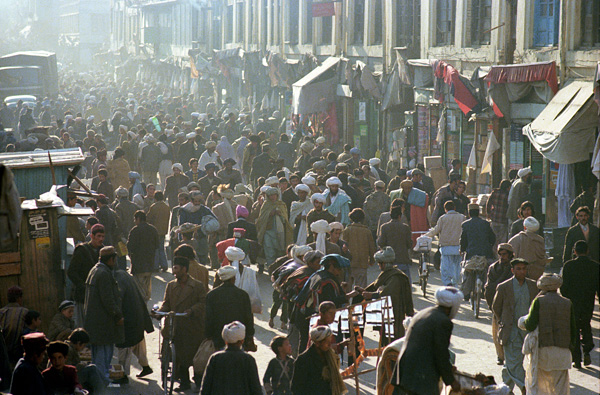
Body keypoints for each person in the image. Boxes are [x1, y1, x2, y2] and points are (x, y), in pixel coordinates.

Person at [391, 287, 463, 395]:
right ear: (452, 307)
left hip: (404, 374)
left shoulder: (423, 313)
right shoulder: (443, 322)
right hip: (420, 379)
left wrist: (448, 369)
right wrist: (451, 381)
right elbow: (441, 354)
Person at [156, 256, 207, 391]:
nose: (174, 271)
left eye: (176, 268)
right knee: (179, 356)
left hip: (193, 328)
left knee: (195, 357)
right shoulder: (171, 286)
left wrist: (192, 310)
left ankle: (198, 382)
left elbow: (203, 303)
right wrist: (159, 312)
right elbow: (166, 304)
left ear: (184, 269)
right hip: (176, 326)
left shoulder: (197, 286)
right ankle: (184, 383)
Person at [520, 274, 576, 395]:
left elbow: (530, 325)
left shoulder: (539, 301)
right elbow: (573, 329)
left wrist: (522, 321)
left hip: (543, 352)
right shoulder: (567, 302)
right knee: (560, 388)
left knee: (541, 386)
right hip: (562, 353)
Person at [491, 258, 539, 394]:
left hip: (528, 331)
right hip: (510, 331)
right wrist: (504, 322)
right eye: (519, 268)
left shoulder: (533, 286)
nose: (522, 271)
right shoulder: (504, 287)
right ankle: (525, 387)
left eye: (524, 268)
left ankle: (506, 390)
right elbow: (496, 308)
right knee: (514, 362)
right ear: (512, 270)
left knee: (510, 364)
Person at [83, 246, 124, 380]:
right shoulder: (104, 274)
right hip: (103, 323)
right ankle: (102, 382)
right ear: (111, 260)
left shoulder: (95, 270)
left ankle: (100, 379)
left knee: (99, 354)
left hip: (95, 322)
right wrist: (117, 315)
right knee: (103, 354)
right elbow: (108, 300)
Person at [359, 247, 414, 339]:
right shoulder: (386, 274)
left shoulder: (396, 277)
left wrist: (371, 295)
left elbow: (387, 293)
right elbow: (375, 286)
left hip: (394, 315)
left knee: (393, 341)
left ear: (384, 263)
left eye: (379, 263)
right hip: (385, 315)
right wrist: (363, 290)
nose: (379, 266)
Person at [560, 240, 599, 368]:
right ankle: (587, 349)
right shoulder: (595, 266)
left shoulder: (568, 266)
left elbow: (563, 287)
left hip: (573, 301)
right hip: (588, 301)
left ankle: (576, 359)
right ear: (587, 251)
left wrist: (566, 299)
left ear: (574, 251)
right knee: (586, 324)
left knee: (574, 328)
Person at [114, 268, 154, 381]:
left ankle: (123, 375)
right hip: (138, 318)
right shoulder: (124, 276)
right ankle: (145, 367)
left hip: (129, 321)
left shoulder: (118, 281)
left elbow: (118, 301)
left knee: (124, 349)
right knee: (138, 345)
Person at [200, 321, 262, 395]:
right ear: (242, 341)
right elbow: (255, 387)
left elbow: (206, 385)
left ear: (225, 341)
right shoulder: (248, 359)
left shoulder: (215, 358)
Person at [206, 266, 256, 351]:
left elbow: (208, 318)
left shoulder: (211, 295)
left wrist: (208, 335)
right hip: (238, 335)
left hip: (218, 337)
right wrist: (249, 335)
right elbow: (248, 317)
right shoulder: (242, 295)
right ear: (233, 278)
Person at [292, 326, 347, 395]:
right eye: (327, 342)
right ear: (317, 343)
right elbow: (296, 388)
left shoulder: (330, 356)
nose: (330, 345)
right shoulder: (303, 360)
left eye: (330, 341)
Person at [484, 243, 515, 365]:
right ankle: (500, 356)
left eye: (505, 254)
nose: (502, 257)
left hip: (511, 305)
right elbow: (489, 287)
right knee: (497, 332)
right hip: (497, 304)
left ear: (510, 255)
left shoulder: (515, 268)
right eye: (500, 254)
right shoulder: (493, 268)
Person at [68, 224, 104, 326]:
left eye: (102, 236)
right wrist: (83, 286)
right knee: (83, 324)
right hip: (82, 296)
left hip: (98, 296)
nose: (101, 239)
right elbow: (71, 272)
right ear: (92, 236)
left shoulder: (104, 251)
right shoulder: (82, 250)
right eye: (98, 236)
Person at [425, 200, 466, 286]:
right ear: (454, 208)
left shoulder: (443, 218)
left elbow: (436, 230)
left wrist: (425, 235)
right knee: (457, 267)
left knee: (446, 268)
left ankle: (448, 283)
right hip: (459, 247)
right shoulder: (462, 217)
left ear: (445, 209)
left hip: (446, 248)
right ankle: (455, 284)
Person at [460, 203, 495, 299]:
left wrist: (462, 250)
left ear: (469, 213)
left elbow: (463, 241)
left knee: (466, 270)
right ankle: (486, 289)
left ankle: (466, 293)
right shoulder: (486, 224)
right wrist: (489, 246)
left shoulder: (465, 225)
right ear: (479, 213)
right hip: (486, 253)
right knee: (488, 270)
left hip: (471, 254)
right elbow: (492, 238)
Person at [127, 210, 160, 300]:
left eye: (135, 219)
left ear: (138, 219)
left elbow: (129, 246)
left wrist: (131, 256)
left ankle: (142, 307)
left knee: (139, 289)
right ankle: (145, 304)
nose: (134, 221)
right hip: (149, 263)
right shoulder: (153, 229)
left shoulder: (135, 230)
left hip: (138, 264)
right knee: (146, 286)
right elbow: (157, 245)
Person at [256, 187, 293, 266]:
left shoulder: (281, 204)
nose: (273, 197)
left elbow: (285, 219)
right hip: (268, 232)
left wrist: (280, 215)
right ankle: (271, 268)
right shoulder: (265, 205)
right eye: (270, 195)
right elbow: (261, 219)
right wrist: (270, 214)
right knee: (269, 251)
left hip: (280, 232)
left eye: (274, 195)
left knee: (280, 250)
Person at [378, 201, 413, 283]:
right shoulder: (405, 227)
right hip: (403, 260)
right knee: (405, 284)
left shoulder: (384, 227)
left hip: (389, 262)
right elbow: (409, 244)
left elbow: (381, 243)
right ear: (399, 216)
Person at [342, 208, 376, 289]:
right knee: (361, 289)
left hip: (350, 263)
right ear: (362, 218)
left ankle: (347, 301)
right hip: (362, 263)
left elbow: (344, 246)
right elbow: (372, 247)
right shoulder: (367, 231)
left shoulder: (347, 230)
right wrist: (371, 260)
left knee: (347, 288)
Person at [390, 179, 429, 246]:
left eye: (409, 188)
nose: (407, 190)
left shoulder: (417, 195)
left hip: (412, 218)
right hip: (402, 218)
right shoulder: (398, 195)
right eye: (405, 188)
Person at [508, 216, 548, 280]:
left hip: (519, 274)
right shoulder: (540, 240)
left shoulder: (515, 239)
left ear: (524, 227)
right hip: (537, 275)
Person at [0, 286, 28, 366]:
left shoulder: (1, 312)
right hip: (18, 353)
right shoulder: (24, 312)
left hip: (3, 353)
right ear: (19, 298)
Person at [147, 191, 171, 272]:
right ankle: (164, 265)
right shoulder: (167, 207)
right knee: (161, 248)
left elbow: (148, 218)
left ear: (155, 198)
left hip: (155, 230)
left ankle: (155, 265)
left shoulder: (154, 206)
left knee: (155, 249)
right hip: (163, 230)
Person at [486, 179, 511, 247]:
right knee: (502, 239)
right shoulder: (507, 195)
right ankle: (500, 253)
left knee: (494, 238)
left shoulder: (495, 192)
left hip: (494, 218)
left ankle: (494, 253)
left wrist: (488, 213)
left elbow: (488, 203)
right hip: (503, 219)